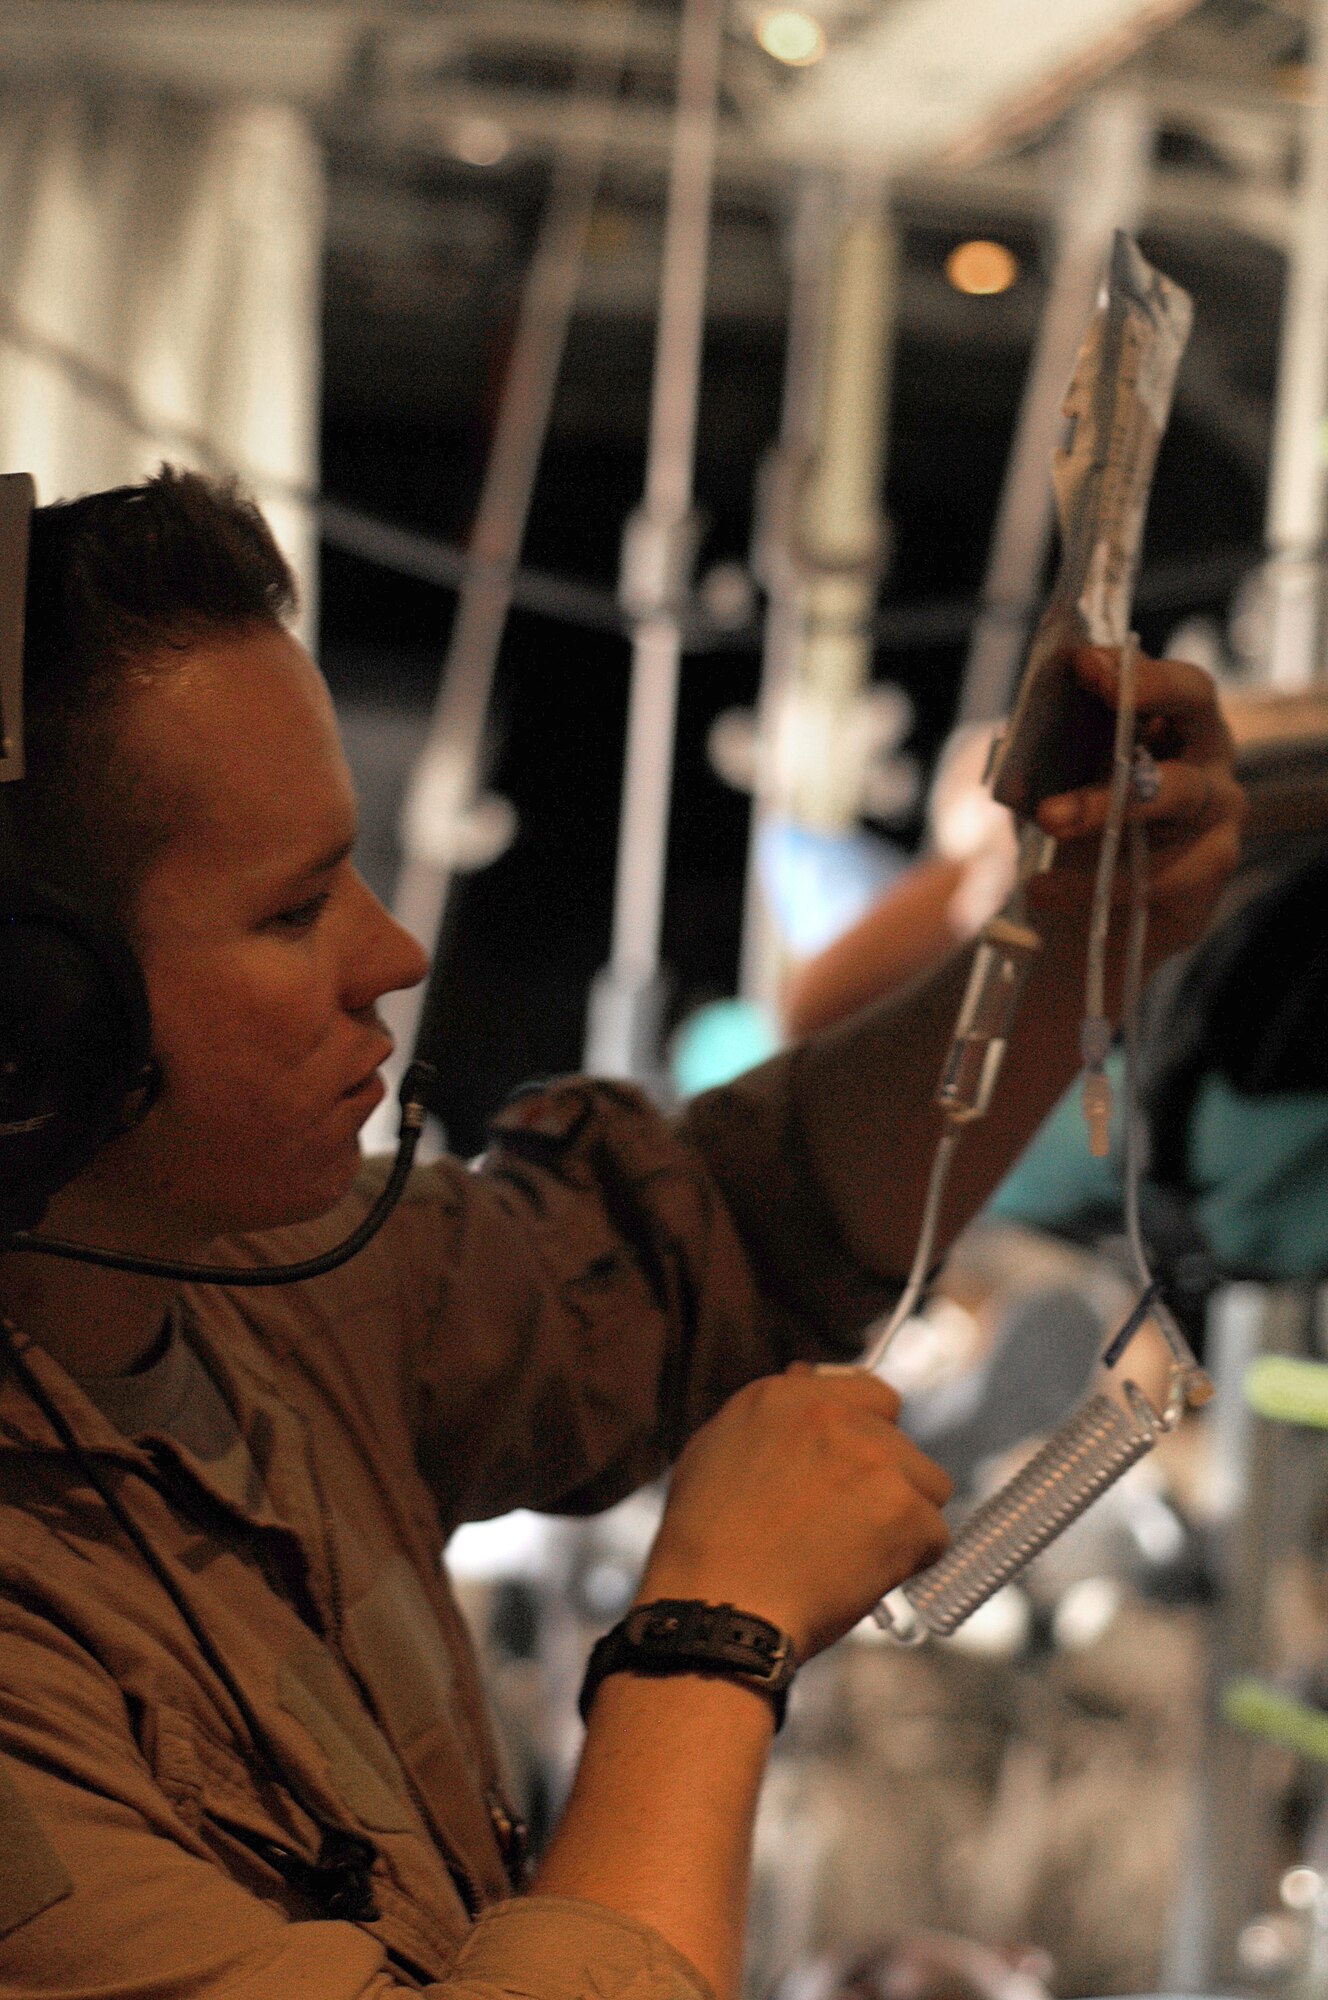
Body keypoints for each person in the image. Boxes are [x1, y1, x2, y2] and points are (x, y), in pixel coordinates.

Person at [0, 469, 1243, 2000]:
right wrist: (706, 1646)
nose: (387, 955)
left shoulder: (252, 1288)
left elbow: (692, 1239)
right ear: (27, 1028)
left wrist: (1068, 936)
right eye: (290, 911)